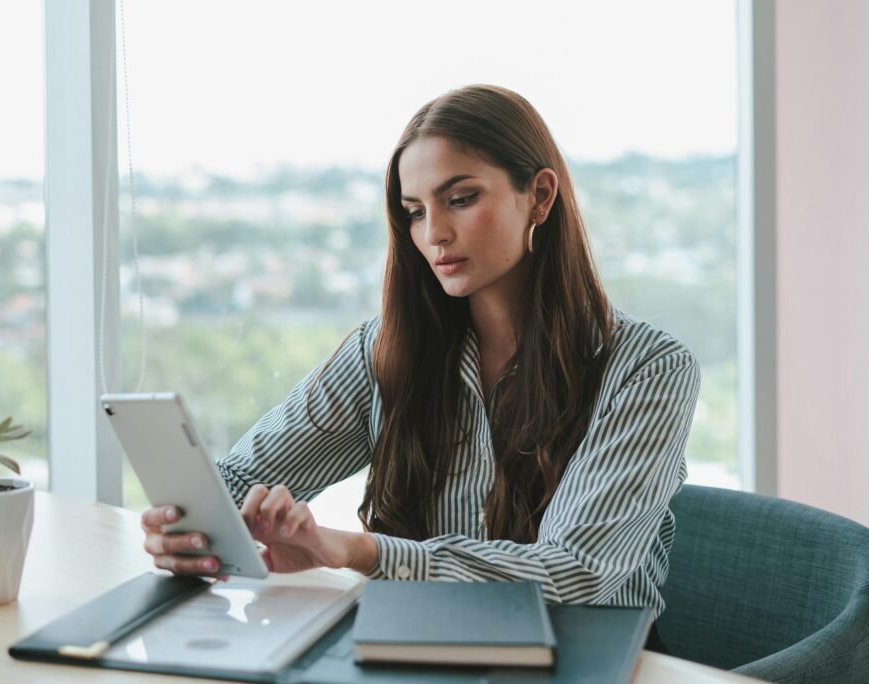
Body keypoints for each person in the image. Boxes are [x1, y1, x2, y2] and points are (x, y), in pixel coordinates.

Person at [140, 84, 700, 653]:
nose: (433, 234)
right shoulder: (385, 351)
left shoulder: (648, 370)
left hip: (581, 659)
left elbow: (574, 572)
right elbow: (238, 481)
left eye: (460, 199)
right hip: (414, 648)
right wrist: (191, 530)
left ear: (539, 195)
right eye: (414, 212)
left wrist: (359, 551)